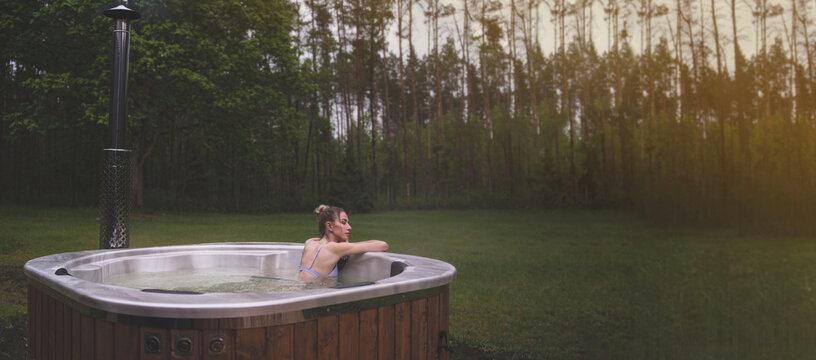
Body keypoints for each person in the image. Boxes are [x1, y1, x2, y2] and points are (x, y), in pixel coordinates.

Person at [298, 205, 389, 280]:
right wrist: (345, 242)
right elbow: (383, 245)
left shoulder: (310, 242)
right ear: (329, 226)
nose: (349, 227)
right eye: (343, 222)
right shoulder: (335, 248)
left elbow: (323, 238)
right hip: (310, 290)